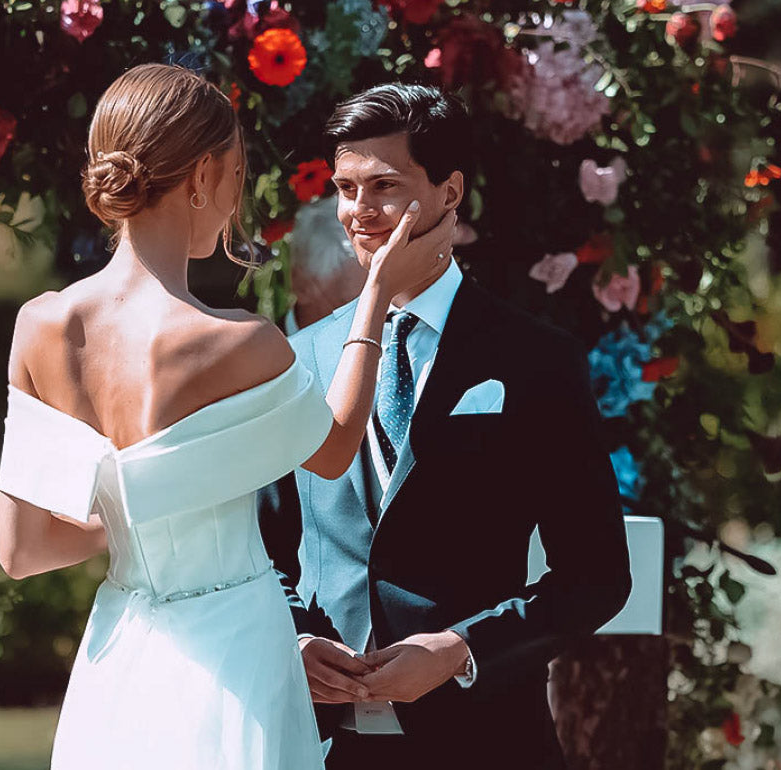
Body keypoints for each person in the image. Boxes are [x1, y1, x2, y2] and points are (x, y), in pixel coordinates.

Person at [0, 64, 452, 769]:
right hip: (237, 649)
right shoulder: (238, 342)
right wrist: (375, 292)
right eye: (236, 173)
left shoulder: (41, 325)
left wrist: (128, 515)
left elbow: (21, 551)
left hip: (119, 653)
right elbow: (332, 450)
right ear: (202, 176)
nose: (235, 197)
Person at [255, 83, 632, 769]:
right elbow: (263, 549)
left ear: (449, 192)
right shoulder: (302, 355)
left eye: (384, 187)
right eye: (345, 188)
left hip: (487, 744)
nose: (359, 213)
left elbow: (597, 574)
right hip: (318, 745)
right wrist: (296, 638)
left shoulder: (535, 358)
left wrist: (464, 649)